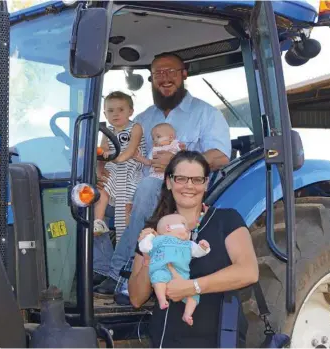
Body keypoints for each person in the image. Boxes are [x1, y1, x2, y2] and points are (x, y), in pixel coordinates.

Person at [94, 52, 232, 295]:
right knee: (84, 196)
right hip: (138, 184)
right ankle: (99, 268)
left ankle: (122, 274)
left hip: (183, 190)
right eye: (158, 73)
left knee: (147, 188)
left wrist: (178, 163)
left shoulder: (205, 113)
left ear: (184, 74)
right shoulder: (143, 118)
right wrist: (101, 166)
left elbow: (220, 156)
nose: (165, 78)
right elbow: (122, 148)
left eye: (171, 72)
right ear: (151, 79)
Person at [129, 150, 258, 348]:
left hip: (219, 340)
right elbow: (136, 298)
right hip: (167, 341)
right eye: (181, 178)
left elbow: (248, 271)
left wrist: (193, 287)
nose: (189, 186)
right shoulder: (154, 230)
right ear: (169, 182)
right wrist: (150, 257)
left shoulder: (227, 220)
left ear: (206, 184)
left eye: (197, 179)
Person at [93, 91, 146, 282]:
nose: (116, 114)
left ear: (131, 111)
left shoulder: (136, 128)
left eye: (121, 110)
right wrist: (100, 173)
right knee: (98, 192)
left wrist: (115, 158)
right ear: (105, 114)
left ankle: (125, 261)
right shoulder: (106, 132)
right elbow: (101, 153)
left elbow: (130, 151)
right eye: (110, 110)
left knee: (127, 211)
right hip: (114, 171)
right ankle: (98, 222)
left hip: (131, 171)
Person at [138, 213, 210, 326]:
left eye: (188, 228)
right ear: (168, 228)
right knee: (159, 277)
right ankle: (162, 299)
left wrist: (203, 247)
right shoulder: (159, 240)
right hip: (162, 268)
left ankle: (187, 314)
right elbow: (145, 247)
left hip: (183, 277)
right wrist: (147, 238)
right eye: (183, 225)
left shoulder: (188, 244)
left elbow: (198, 252)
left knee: (194, 295)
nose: (188, 229)